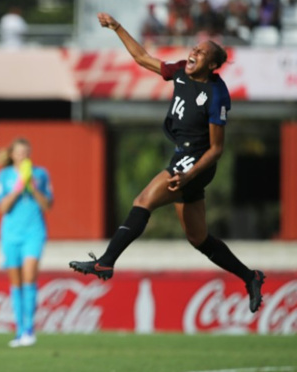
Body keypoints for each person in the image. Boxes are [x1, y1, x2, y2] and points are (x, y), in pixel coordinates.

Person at [69, 12, 265, 314]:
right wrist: (117, 26)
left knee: (143, 200)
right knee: (198, 238)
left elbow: (216, 150)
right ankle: (251, 277)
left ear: (212, 65)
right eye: (195, 49)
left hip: (197, 161)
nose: (194, 53)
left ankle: (104, 263)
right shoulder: (181, 73)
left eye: (201, 53)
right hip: (182, 155)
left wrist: (188, 177)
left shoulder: (216, 94)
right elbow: (143, 58)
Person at [0, 138, 53, 347]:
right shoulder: (4, 175)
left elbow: (47, 205)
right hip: (11, 234)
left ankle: (29, 328)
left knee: (29, 277)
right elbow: (2, 208)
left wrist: (32, 187)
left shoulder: (41, 174)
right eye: (19, 153)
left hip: (34, 233)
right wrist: (19, 188)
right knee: (16, 282)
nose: (24, 156)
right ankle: (20, 330)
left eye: (27, 152)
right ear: (12, 155)